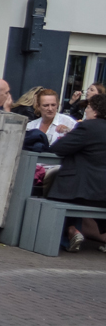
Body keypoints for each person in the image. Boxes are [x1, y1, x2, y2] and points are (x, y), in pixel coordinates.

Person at [48, 94, 106, 252]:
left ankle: (71, 232)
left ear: (95, 111)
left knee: (52, 197)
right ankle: (74, 231)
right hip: (101, 192)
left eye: (87, 107)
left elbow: (58, 149)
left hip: (85, 190)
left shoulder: (88, 126)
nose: (85, 111)